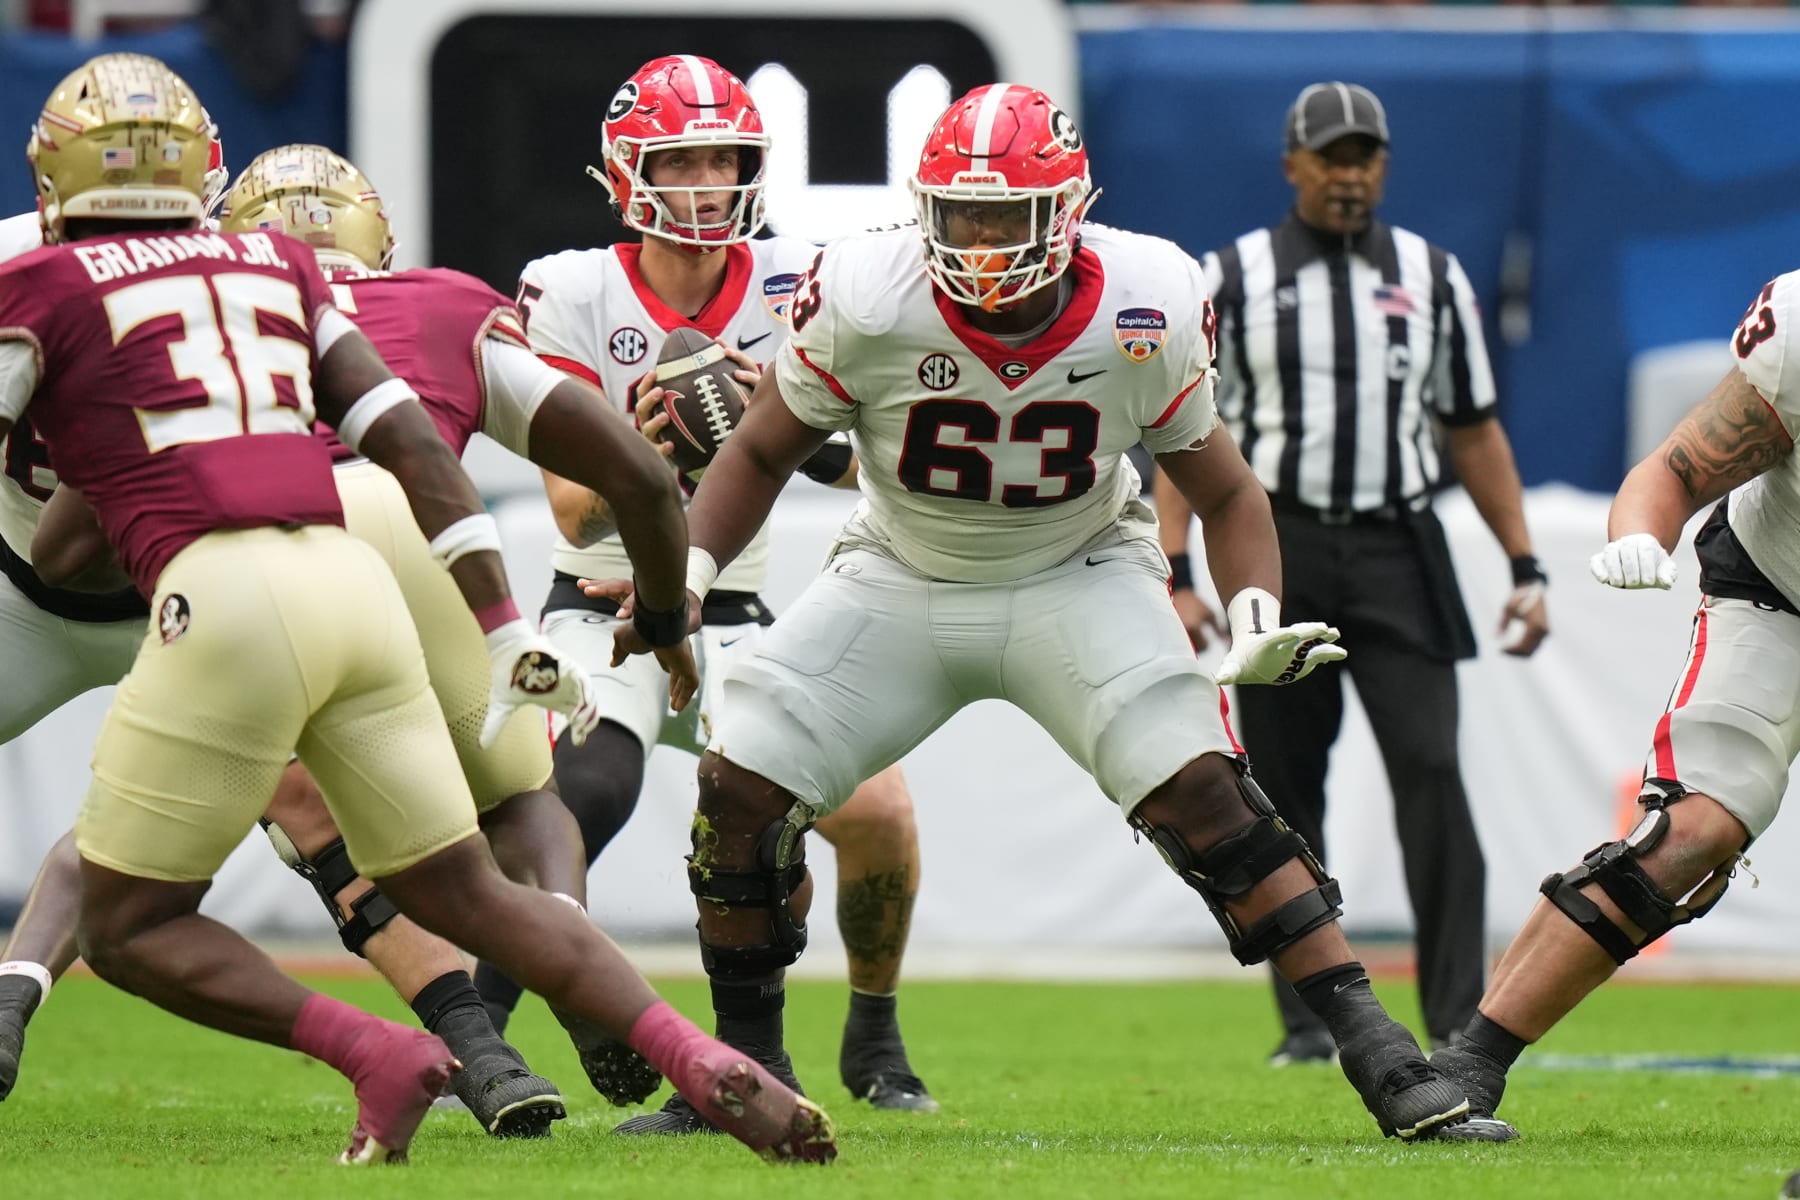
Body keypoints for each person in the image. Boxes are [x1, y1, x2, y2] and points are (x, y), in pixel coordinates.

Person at [600, 81, 1494, 1142]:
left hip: (1079, 572)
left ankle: (1383, 1058)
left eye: (1005, 215)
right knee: (737, 783)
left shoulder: (1146, 296)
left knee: (1212, 801)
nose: (978, 241)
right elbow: (758, 449)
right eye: (959, 213)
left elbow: (1225, 491)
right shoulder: (866, 288)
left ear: (1068, 210)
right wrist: (689, 577)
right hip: (901, 571)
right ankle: (740, 1069)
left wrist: (1252, 612)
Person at [0, 53, 834, 1165]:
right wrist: (502, 625)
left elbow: (69, 546)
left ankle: (373, 1051)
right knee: (466, 875)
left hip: (211, 580)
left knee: (131, 907)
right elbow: (426, 448)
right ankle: (687, 1055)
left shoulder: (46, 279)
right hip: (373, 568)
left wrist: (133, 474)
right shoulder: (330, 288)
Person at [502, 53, 935, 1128]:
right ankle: (483, 1031)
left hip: (732, 607)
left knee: (876, 814)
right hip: (600, 603)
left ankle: (873, 1032)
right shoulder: (569, 288)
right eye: (679, 158)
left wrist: (762, 430)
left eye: (722, 159)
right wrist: (648, 455)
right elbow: (572, 512)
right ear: (625, 170)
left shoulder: (803, 279)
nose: (703, 182)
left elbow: (864, 462)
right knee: (580, 798)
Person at [1153, 81, 1549, 1065]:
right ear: (1292, 164)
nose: (1349, 174)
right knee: (1283, 788)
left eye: (1364, 156)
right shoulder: (1231, 276)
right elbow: (1184, 431)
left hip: (1397, 543)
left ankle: (1463, 1013)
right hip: (1277, 540)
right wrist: (1176, 567)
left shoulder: (1433, 274)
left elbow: (1473, 427)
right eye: (1330, 156)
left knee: (1432, 770)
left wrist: (1525, 562)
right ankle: (1311, 1023)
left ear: (1383, 165)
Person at [1431, 269, 1800, 1142]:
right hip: (1781, 593)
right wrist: (1641, 532)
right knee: (1691, 833)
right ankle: (1472, 1060)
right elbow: (1673, 470)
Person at [0, 68, 232, 1105]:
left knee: (326, 815)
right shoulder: (13, 264)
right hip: (20, 580)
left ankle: (469, 1040)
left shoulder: (247, 269)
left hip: (188, 589)